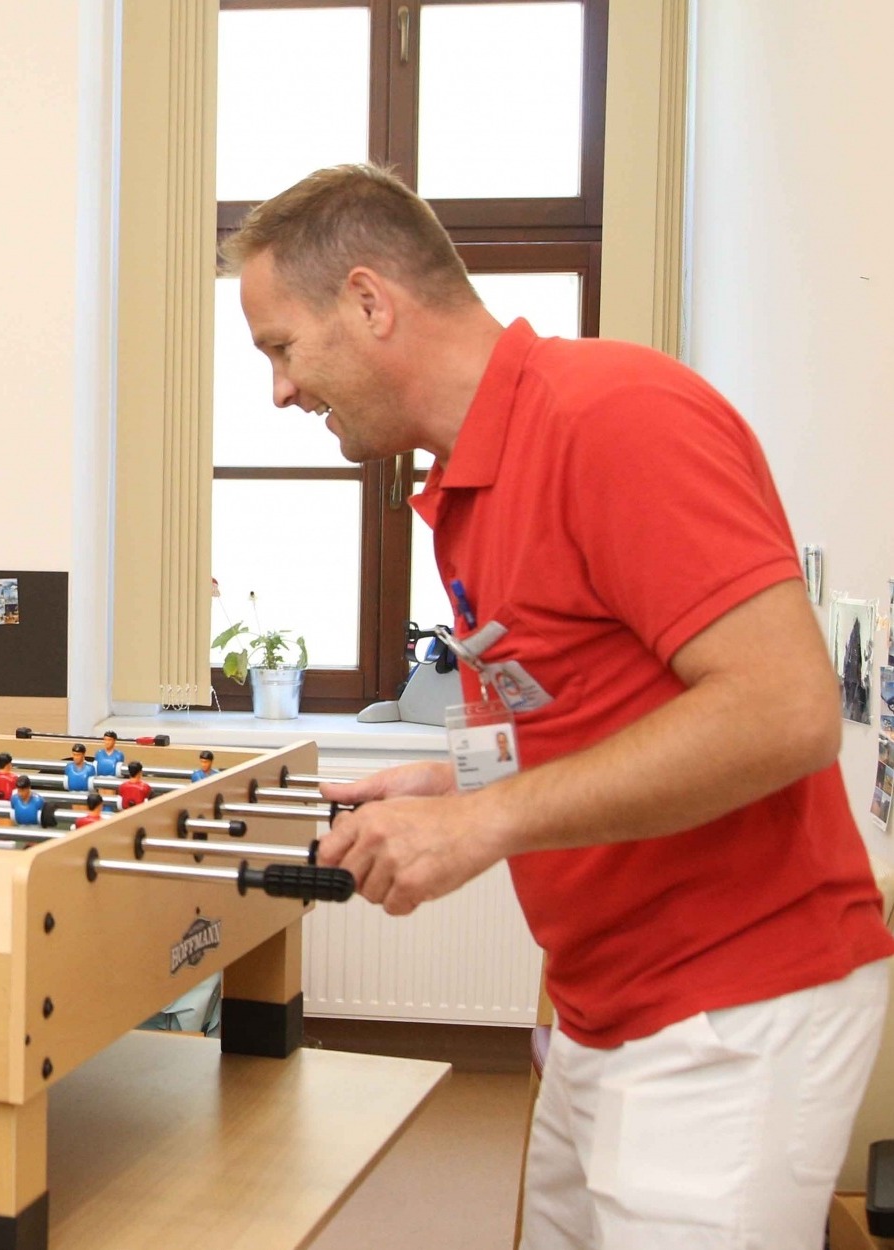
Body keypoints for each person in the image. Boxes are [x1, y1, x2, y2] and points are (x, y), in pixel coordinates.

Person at [228, 163, 893, 1249]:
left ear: (367, 300)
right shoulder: (468, 484)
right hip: (604, 1002)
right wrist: (455, 780)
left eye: (279, 348)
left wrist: (477, 823)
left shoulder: (611, 416)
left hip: (731, 1006)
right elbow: (578, 712)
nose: (282, 392)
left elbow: (783, 709)